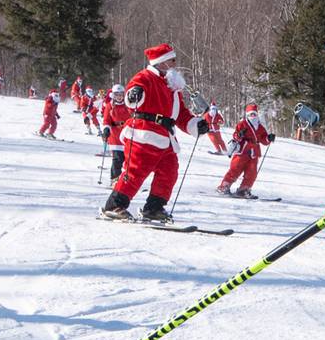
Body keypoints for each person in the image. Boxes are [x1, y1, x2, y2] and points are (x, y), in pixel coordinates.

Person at [99, 44, 208, 223]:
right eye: (172, 60)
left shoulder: (172, 86)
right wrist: (134, 95)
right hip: (144, 134)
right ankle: (114, 206)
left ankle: (154, 208)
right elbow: (133, 93)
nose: (175, 63)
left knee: (169, 172)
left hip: (166, 138)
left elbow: (181, 114)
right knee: (135, 172)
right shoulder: (145, 77)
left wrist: (195, 125)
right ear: (162, 62)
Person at [216, 104, 274, 198]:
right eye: (251, 114)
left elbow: (264, 140)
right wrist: (239, 135)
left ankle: (244, 189)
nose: (253, 116)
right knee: (235, 170)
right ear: (247, 115)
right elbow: (235, 136)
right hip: (242, 152)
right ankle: (224, 186)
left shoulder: (260, 127)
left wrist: (269, 138)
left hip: (254, 153)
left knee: (252, 173)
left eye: (254, 114)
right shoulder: (242, 124)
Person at [101, 84, 130, 182]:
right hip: (115, 136)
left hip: (127, 134)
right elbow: (106, 120)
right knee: (117, 159)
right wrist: (106, 129)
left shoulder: (128, 105)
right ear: (113, 95)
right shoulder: (110, 106)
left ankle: (127, 179)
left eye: (121, 94)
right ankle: (114, 179)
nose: (119, 96)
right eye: (117, 94)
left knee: (129, 159)